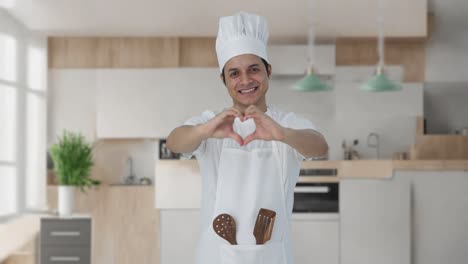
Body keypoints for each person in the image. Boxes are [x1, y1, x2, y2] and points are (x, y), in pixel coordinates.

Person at [166, 11, 328, 264]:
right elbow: (174, 142)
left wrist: (283, 135)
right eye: (234, 73)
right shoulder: (212, 122)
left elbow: (319, 146)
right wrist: (202, 131)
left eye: (254, 69)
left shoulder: (286, 123)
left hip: (273, 253)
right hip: (216, 254)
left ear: (268, 71)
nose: (245, 80)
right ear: (223, 79)